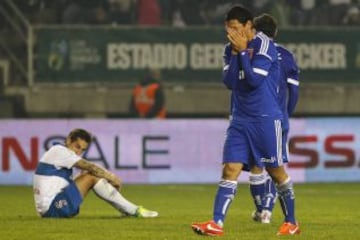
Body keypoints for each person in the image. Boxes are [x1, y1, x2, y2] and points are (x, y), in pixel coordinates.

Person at [191, 5, 300, 236]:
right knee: (230, 168)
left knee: (276, 172)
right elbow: (230, 82)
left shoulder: (265, 46)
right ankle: (216, 223)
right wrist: (234, 52)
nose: (231, 33)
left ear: (249, 26)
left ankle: (291, 222)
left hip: (266, 120)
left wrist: (241, 53)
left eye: (235, 28)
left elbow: (252, 81)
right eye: (228, 28)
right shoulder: (230, 48)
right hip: (240, 119)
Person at [33, 128, 158, 218]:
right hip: (53, 209)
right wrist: (113, 178)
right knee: (90, 175)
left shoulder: (59, 153)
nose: (78, 152)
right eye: (77, 146)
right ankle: (133, 210)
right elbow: (90, 166)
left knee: (87, 174)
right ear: (69, 140)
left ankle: (128, 210)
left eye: (82, 150)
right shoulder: (59, 151)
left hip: (53, 207)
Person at [249, 13, 300, 224]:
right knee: (275, 164)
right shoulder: (286, 55)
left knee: (256, 166)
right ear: (275, 32)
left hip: (253, 116)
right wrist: (287, 112)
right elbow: (294, 90)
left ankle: (264, 209)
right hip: (278, 116)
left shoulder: (251, 53)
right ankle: (267, 211)